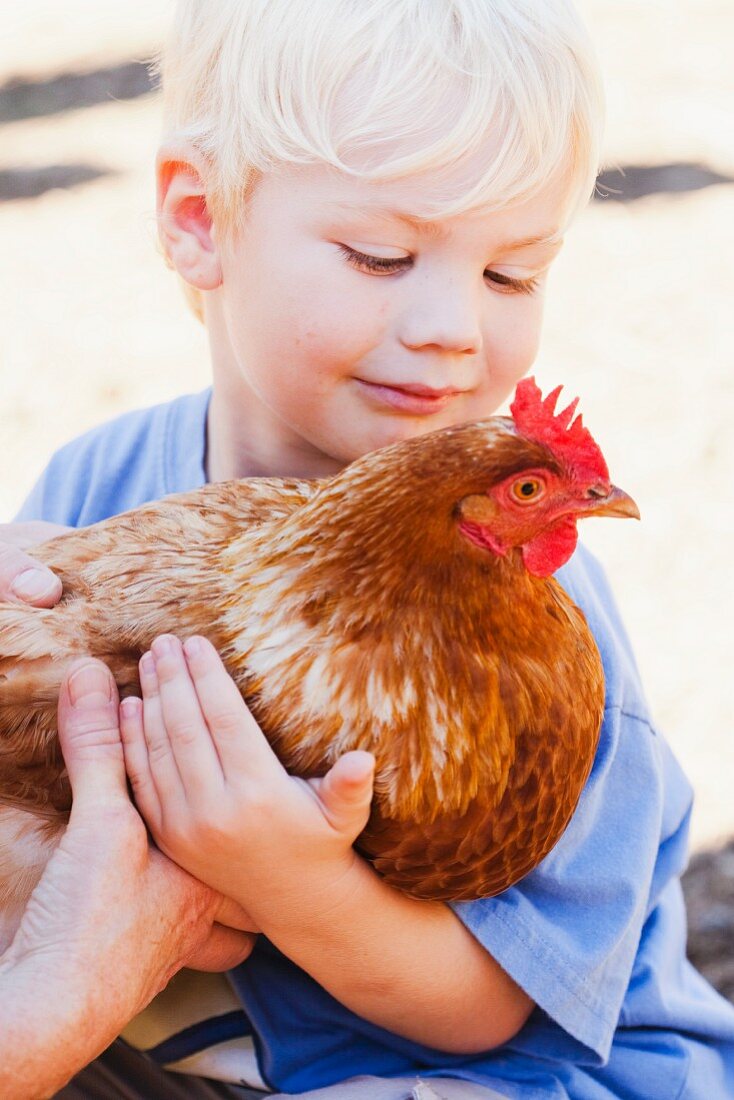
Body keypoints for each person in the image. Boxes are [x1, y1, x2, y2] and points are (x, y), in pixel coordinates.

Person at [1, 0, 733, 1096]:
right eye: (381, 255)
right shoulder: (104, 484)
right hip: (158, 1041)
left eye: (509, 275)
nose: (450, 324)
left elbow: (499, 1009)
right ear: (200, 218)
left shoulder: (528, 621)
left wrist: (294, 883)